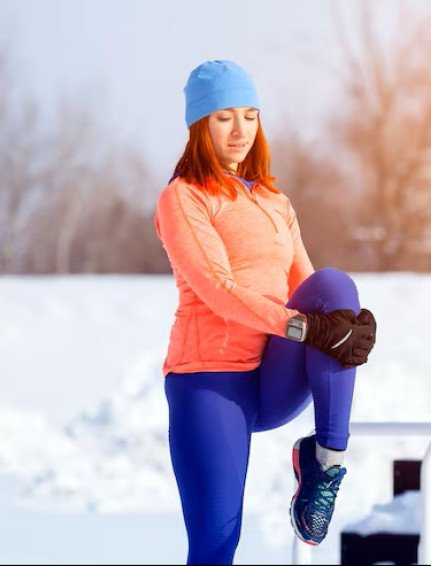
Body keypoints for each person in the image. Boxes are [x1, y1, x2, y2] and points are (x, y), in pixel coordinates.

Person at [154, 59, 377, 565]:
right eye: (223, 117)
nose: (240, 130)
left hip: (273, 376)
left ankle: (324, 464)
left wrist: (352, 326)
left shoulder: (275, 202)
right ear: (199, 126)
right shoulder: (184, 198)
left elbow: (310, 288)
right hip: (209, 382)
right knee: (216, 543)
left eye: (250, 115)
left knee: (336, 286)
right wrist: (304, 327)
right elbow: (216, 288)